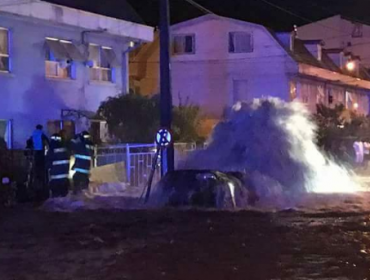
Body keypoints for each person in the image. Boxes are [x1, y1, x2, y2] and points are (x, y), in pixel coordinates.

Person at [27, 124, 49, 201]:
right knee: (41, 167)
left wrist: (30, 148)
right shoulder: (41, 134)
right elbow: (47, 141)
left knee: (35, 167)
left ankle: (35, 182)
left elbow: (29, 142)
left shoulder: (33, 134)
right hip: (41, 152)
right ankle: (42, 185)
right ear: (41, 128)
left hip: (35, 152)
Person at [47, 133, 70, 197]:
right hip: (65, 179)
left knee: (56, 198)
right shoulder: (65, 149)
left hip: (55, 179)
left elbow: (48, 163)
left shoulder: (51, 150)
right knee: (64, 199)